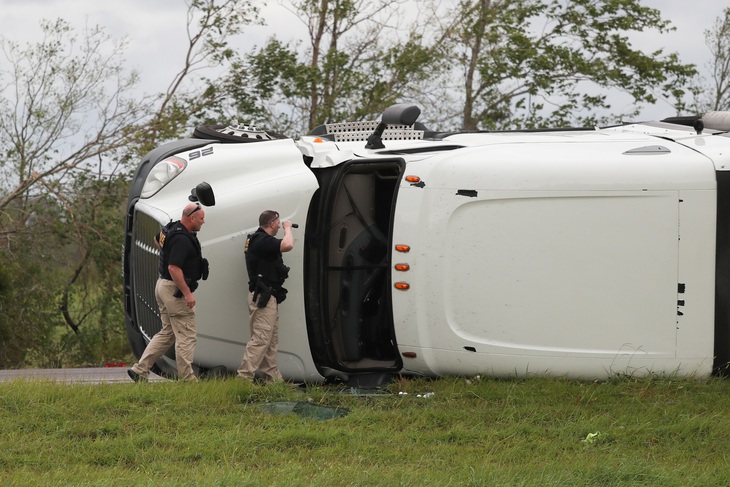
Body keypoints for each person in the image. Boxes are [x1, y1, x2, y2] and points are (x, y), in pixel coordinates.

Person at [128, 202, 208, 382]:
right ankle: (187, 380)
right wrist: (187, 292)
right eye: (201, 218)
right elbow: (173, 267)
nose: (203, 222)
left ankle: (140, 370)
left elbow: (158, 239)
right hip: (174, 289)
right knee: (186, 335)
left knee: (167, 333)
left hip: (162, 286)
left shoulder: (172, 229)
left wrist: (169, 251)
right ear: (191, 218)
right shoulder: (182, 239)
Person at [237, 210, 294, 383]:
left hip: (268, 296)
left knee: (271, 340)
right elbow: (288, 245)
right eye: (278, 223)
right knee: (261, 338)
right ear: (271, 224)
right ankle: (243, 379)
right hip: (263, 298)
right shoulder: (261, 240)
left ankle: (272, 379)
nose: (279, 225)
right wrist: (288, 228)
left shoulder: (260, 240)